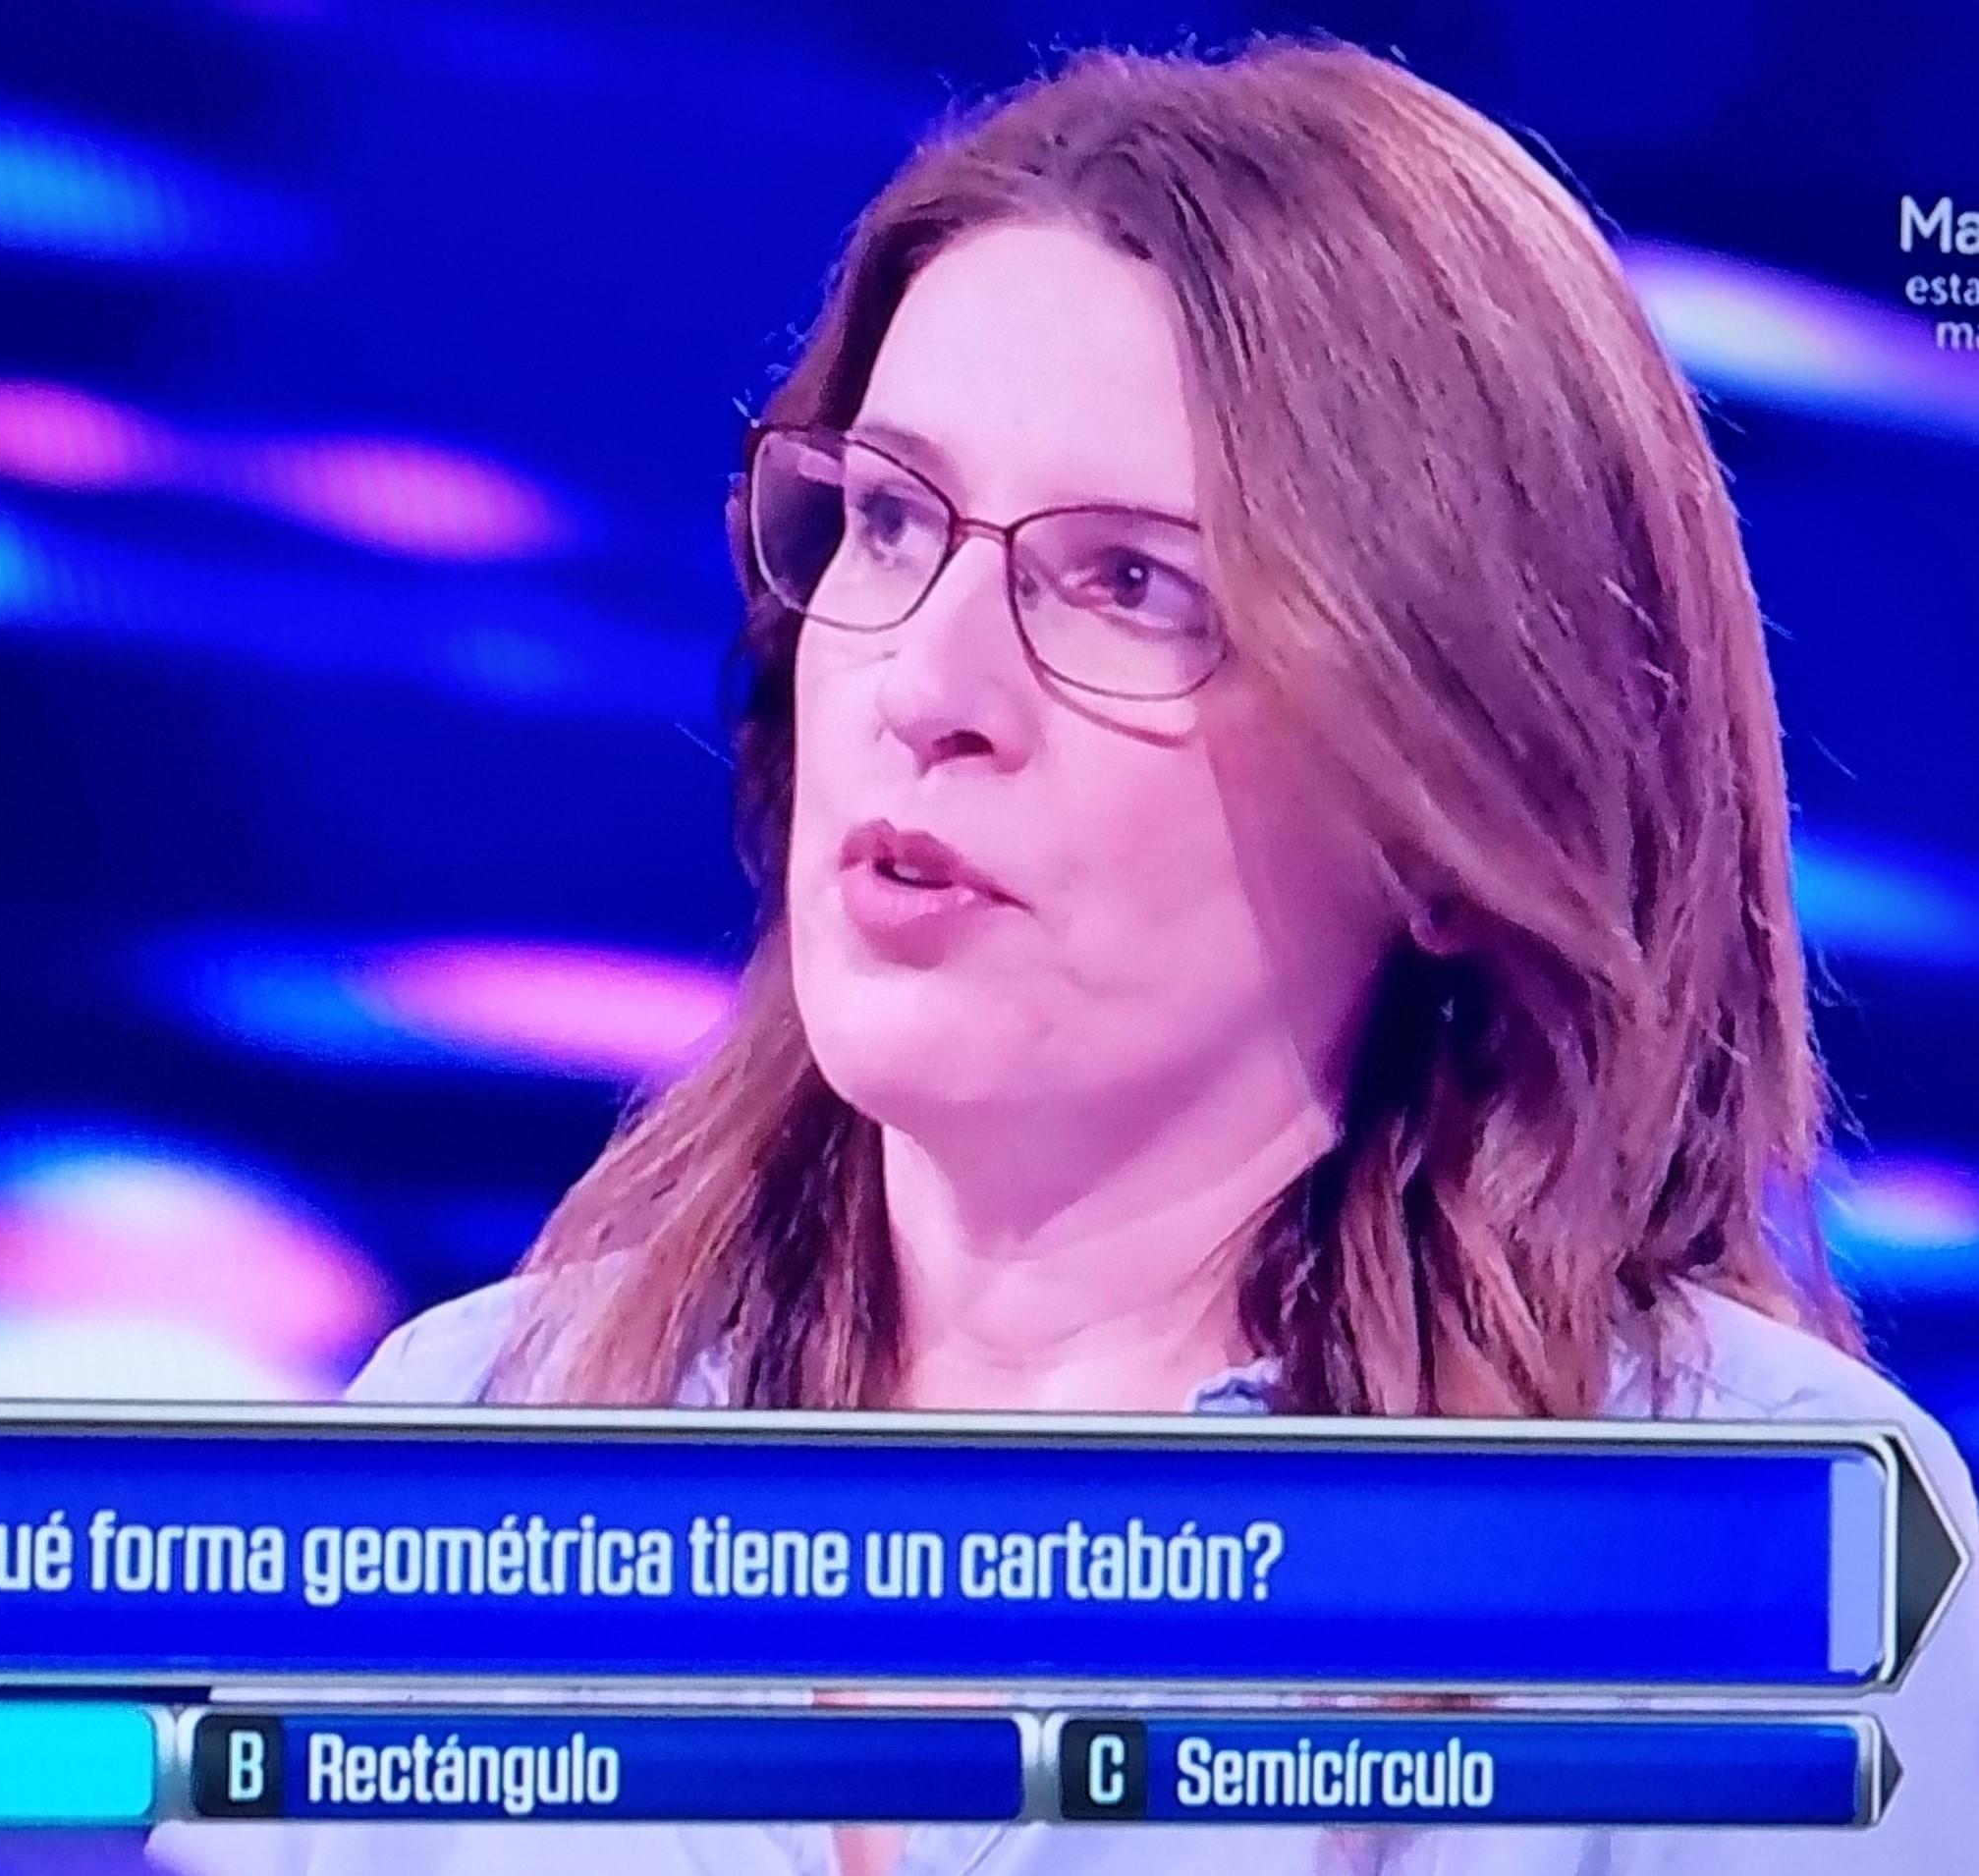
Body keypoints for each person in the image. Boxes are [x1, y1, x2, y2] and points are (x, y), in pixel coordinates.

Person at [148, 35, 1979, 1876]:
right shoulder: (466, 1451)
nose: (925, 684)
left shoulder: (1767, 1570)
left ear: (1449, 808)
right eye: (886, 521)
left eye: (1126, 583)